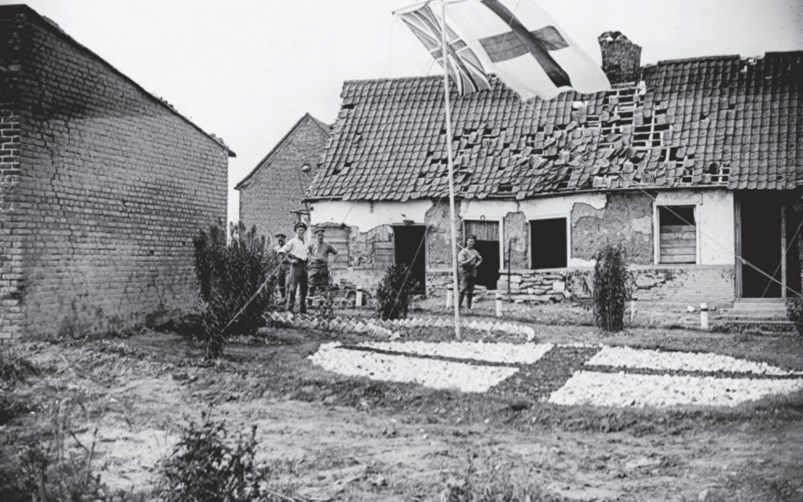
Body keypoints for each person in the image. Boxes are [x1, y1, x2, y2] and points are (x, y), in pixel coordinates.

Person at [279, 222, 309, 314]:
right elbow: (282, 251)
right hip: (296, 266)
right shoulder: (292, 241)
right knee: (292, 288)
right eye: (299, 230)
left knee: (304, 288)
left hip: (304, 266)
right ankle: (289, 309)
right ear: (296, 231)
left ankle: (302, 309)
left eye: (303, 230)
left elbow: (307, 254)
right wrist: (290, 260)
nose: (301, 232)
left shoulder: (306, 243)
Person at [308, 228, 338, 296]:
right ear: (316, 236)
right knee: (311, 285)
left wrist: (332, 264)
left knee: (323, 286)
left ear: (323, 236)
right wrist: (308, 262)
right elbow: (306, 253)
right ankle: (310, 302)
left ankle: (322, 303)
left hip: (323, 267)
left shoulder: (327, 245)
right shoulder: (311, 245)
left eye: (322, 235)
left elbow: (336, 252)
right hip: (314, 267)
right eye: (319, 235)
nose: (320, 237)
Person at [458, 234, 482, 310]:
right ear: (466, 242)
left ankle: (468, 309)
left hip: (473, 271)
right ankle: (458, 308)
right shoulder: (463, 252)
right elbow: (461, 264)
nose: (471, 243)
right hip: (465, 271)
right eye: (469, 241)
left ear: (474, 242)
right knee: (462, 290)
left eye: (472, 241)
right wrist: (471, 259)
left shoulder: (475, 251)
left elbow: (480, 259)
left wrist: (476, 265)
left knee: (470, 291)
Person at [272, 233, 288, 305]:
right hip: (279, 267)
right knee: (280, 282)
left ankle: (287, 298)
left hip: (287, 267)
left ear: (284, 240)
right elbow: (273, 258)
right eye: (279, 240)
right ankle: (283, 297)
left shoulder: (288, 247)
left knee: (287, 283)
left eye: (282, 239)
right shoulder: (275, 249)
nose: (280, 241)